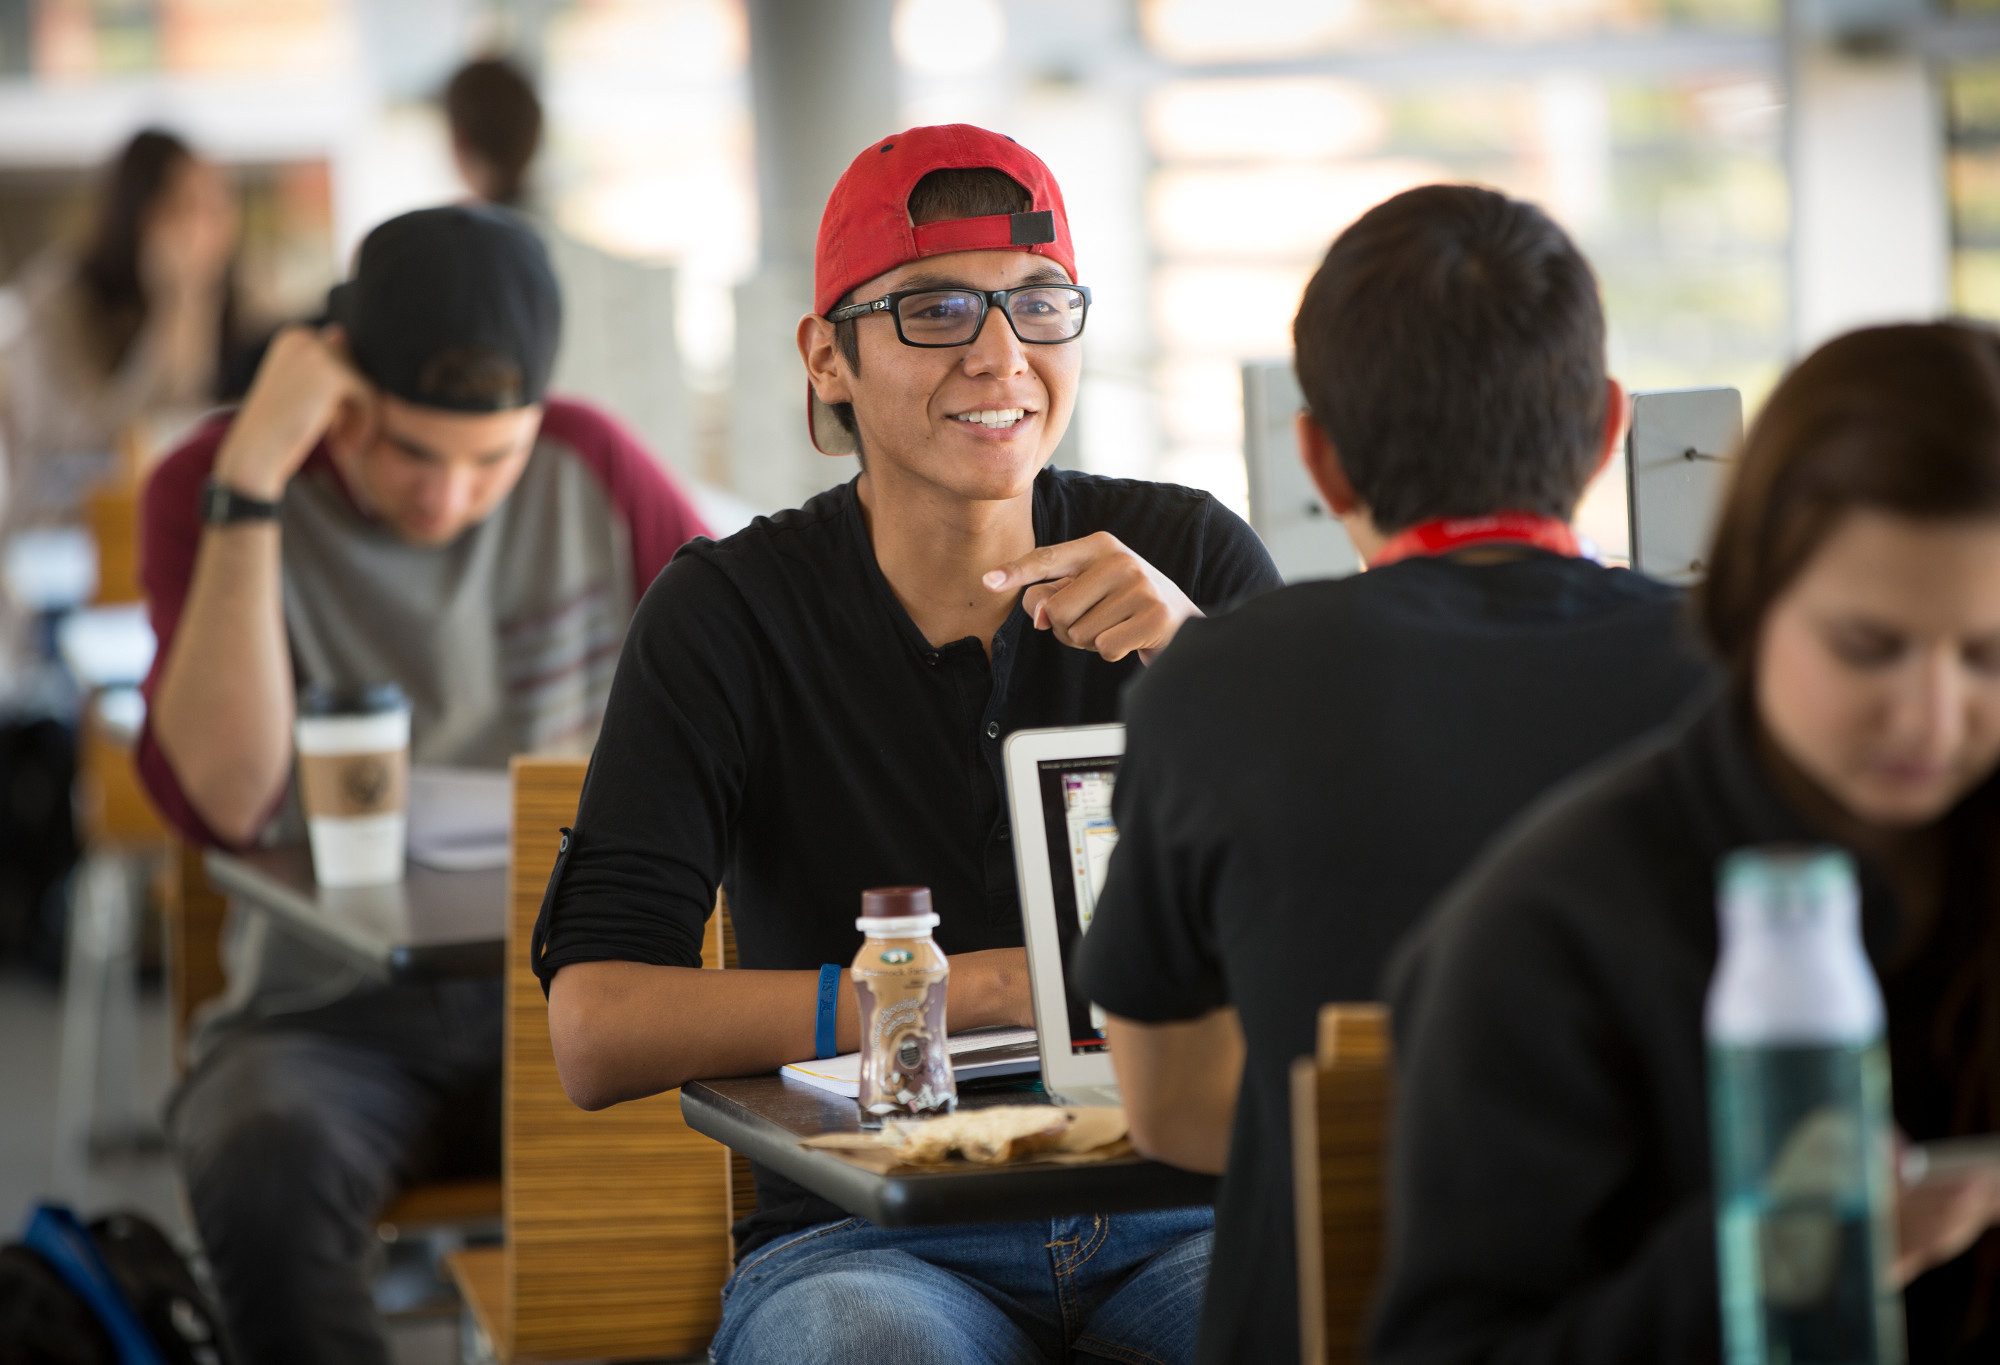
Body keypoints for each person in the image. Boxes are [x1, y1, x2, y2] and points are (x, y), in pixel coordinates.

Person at [533, 123, 1282, 1365]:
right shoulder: (729, 612)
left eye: (1040, 304)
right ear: (826, 355)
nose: (1002, 354)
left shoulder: (1187, 561)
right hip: (867, 1237)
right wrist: (957, 992)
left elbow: (1352, 932)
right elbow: (597, 1029)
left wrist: (1202, 675)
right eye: (935, 309)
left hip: (1184, 1206)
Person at [1073, 183, 1717, 1363]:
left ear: (1316, 456)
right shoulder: (1736, 679)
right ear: (1607, 427)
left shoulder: (1214, 681)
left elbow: (1165, 1108)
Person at [136, 203, 708, 1365]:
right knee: (257, 1156)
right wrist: (252, 484)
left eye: (490, 461)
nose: (447, 500)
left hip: (575, 994)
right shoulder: (214, 483)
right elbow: (224, 801)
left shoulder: (591, 466)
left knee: (728, 1155)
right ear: (334, 383)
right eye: (407, 451)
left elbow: (751, 696)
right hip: (327, 1013)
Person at [1373, 320, 2000, 1364]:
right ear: (1749, 599)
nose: (1931, 718)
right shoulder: (1552, 926)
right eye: (1866, 648)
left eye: (1985, 655)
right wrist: (1770, 1262)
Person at [1, 128, 242, 530]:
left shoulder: (227, 301)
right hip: (61, 541)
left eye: (221, 207)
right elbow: (96, 444)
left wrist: (191, 308)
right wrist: (174, 309)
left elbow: (188, 430)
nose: (214, 229)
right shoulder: (55, 301)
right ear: (144, 215)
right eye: (191, 208)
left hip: (158, 533)